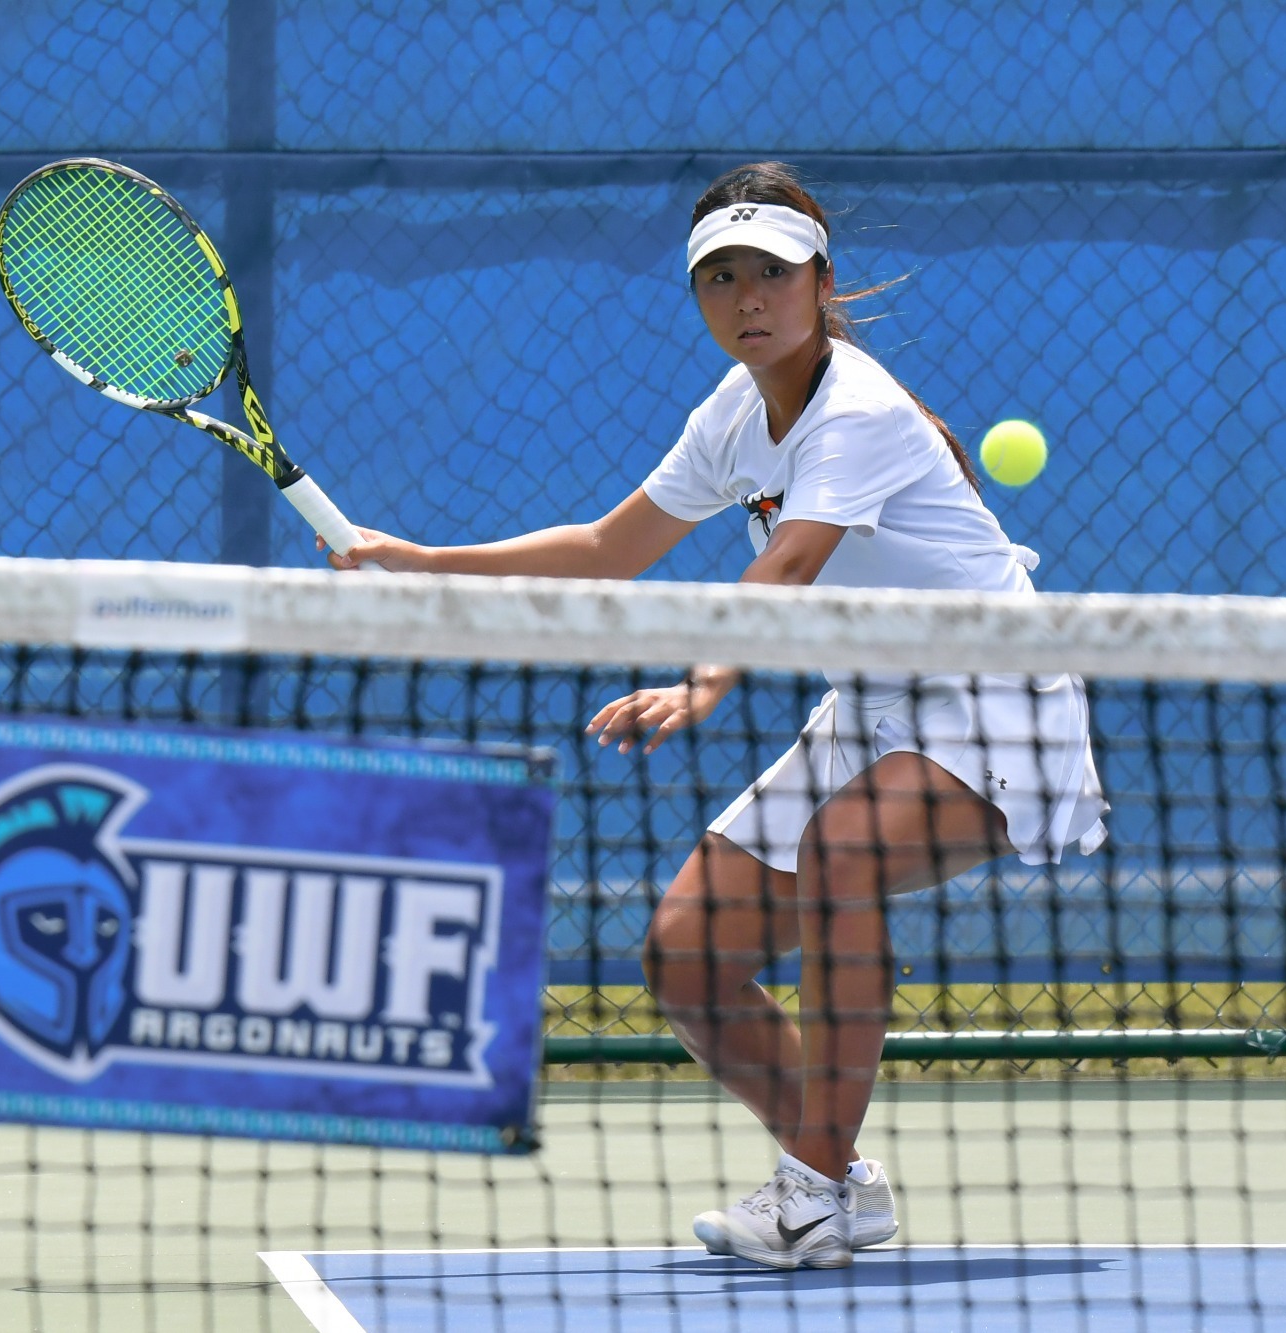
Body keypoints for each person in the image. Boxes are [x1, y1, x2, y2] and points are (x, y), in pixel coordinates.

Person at [326, 162, 1107, 1269]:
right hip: (873, 700)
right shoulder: (734, 415)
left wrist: (705, 678)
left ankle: (811, 1191)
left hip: (997, 700)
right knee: (685, 956)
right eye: (719, 279)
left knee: (840, 850)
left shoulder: (864, 412)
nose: (746, 299)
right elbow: (610, 548)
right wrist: (424, 563)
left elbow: (786, 564)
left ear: (820, 281)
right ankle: (840, 1177)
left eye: (771, 275)